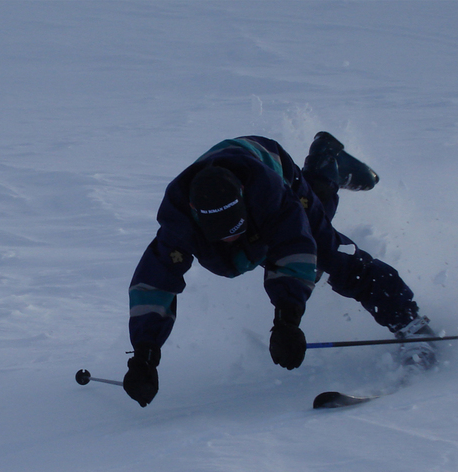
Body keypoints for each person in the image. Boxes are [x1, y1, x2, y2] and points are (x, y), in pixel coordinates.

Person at [123, 132, 437, 407]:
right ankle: (326, 164)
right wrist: (145, 355)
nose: (232, 237)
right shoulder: (178, 226)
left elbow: (296, 248)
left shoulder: (270, 196)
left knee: (329, 251)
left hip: (272, 165)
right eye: (223, 234)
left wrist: (287, 320)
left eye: (237, 228)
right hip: (230, 173)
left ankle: (411, 325)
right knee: (308, 230)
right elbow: (154, 284)